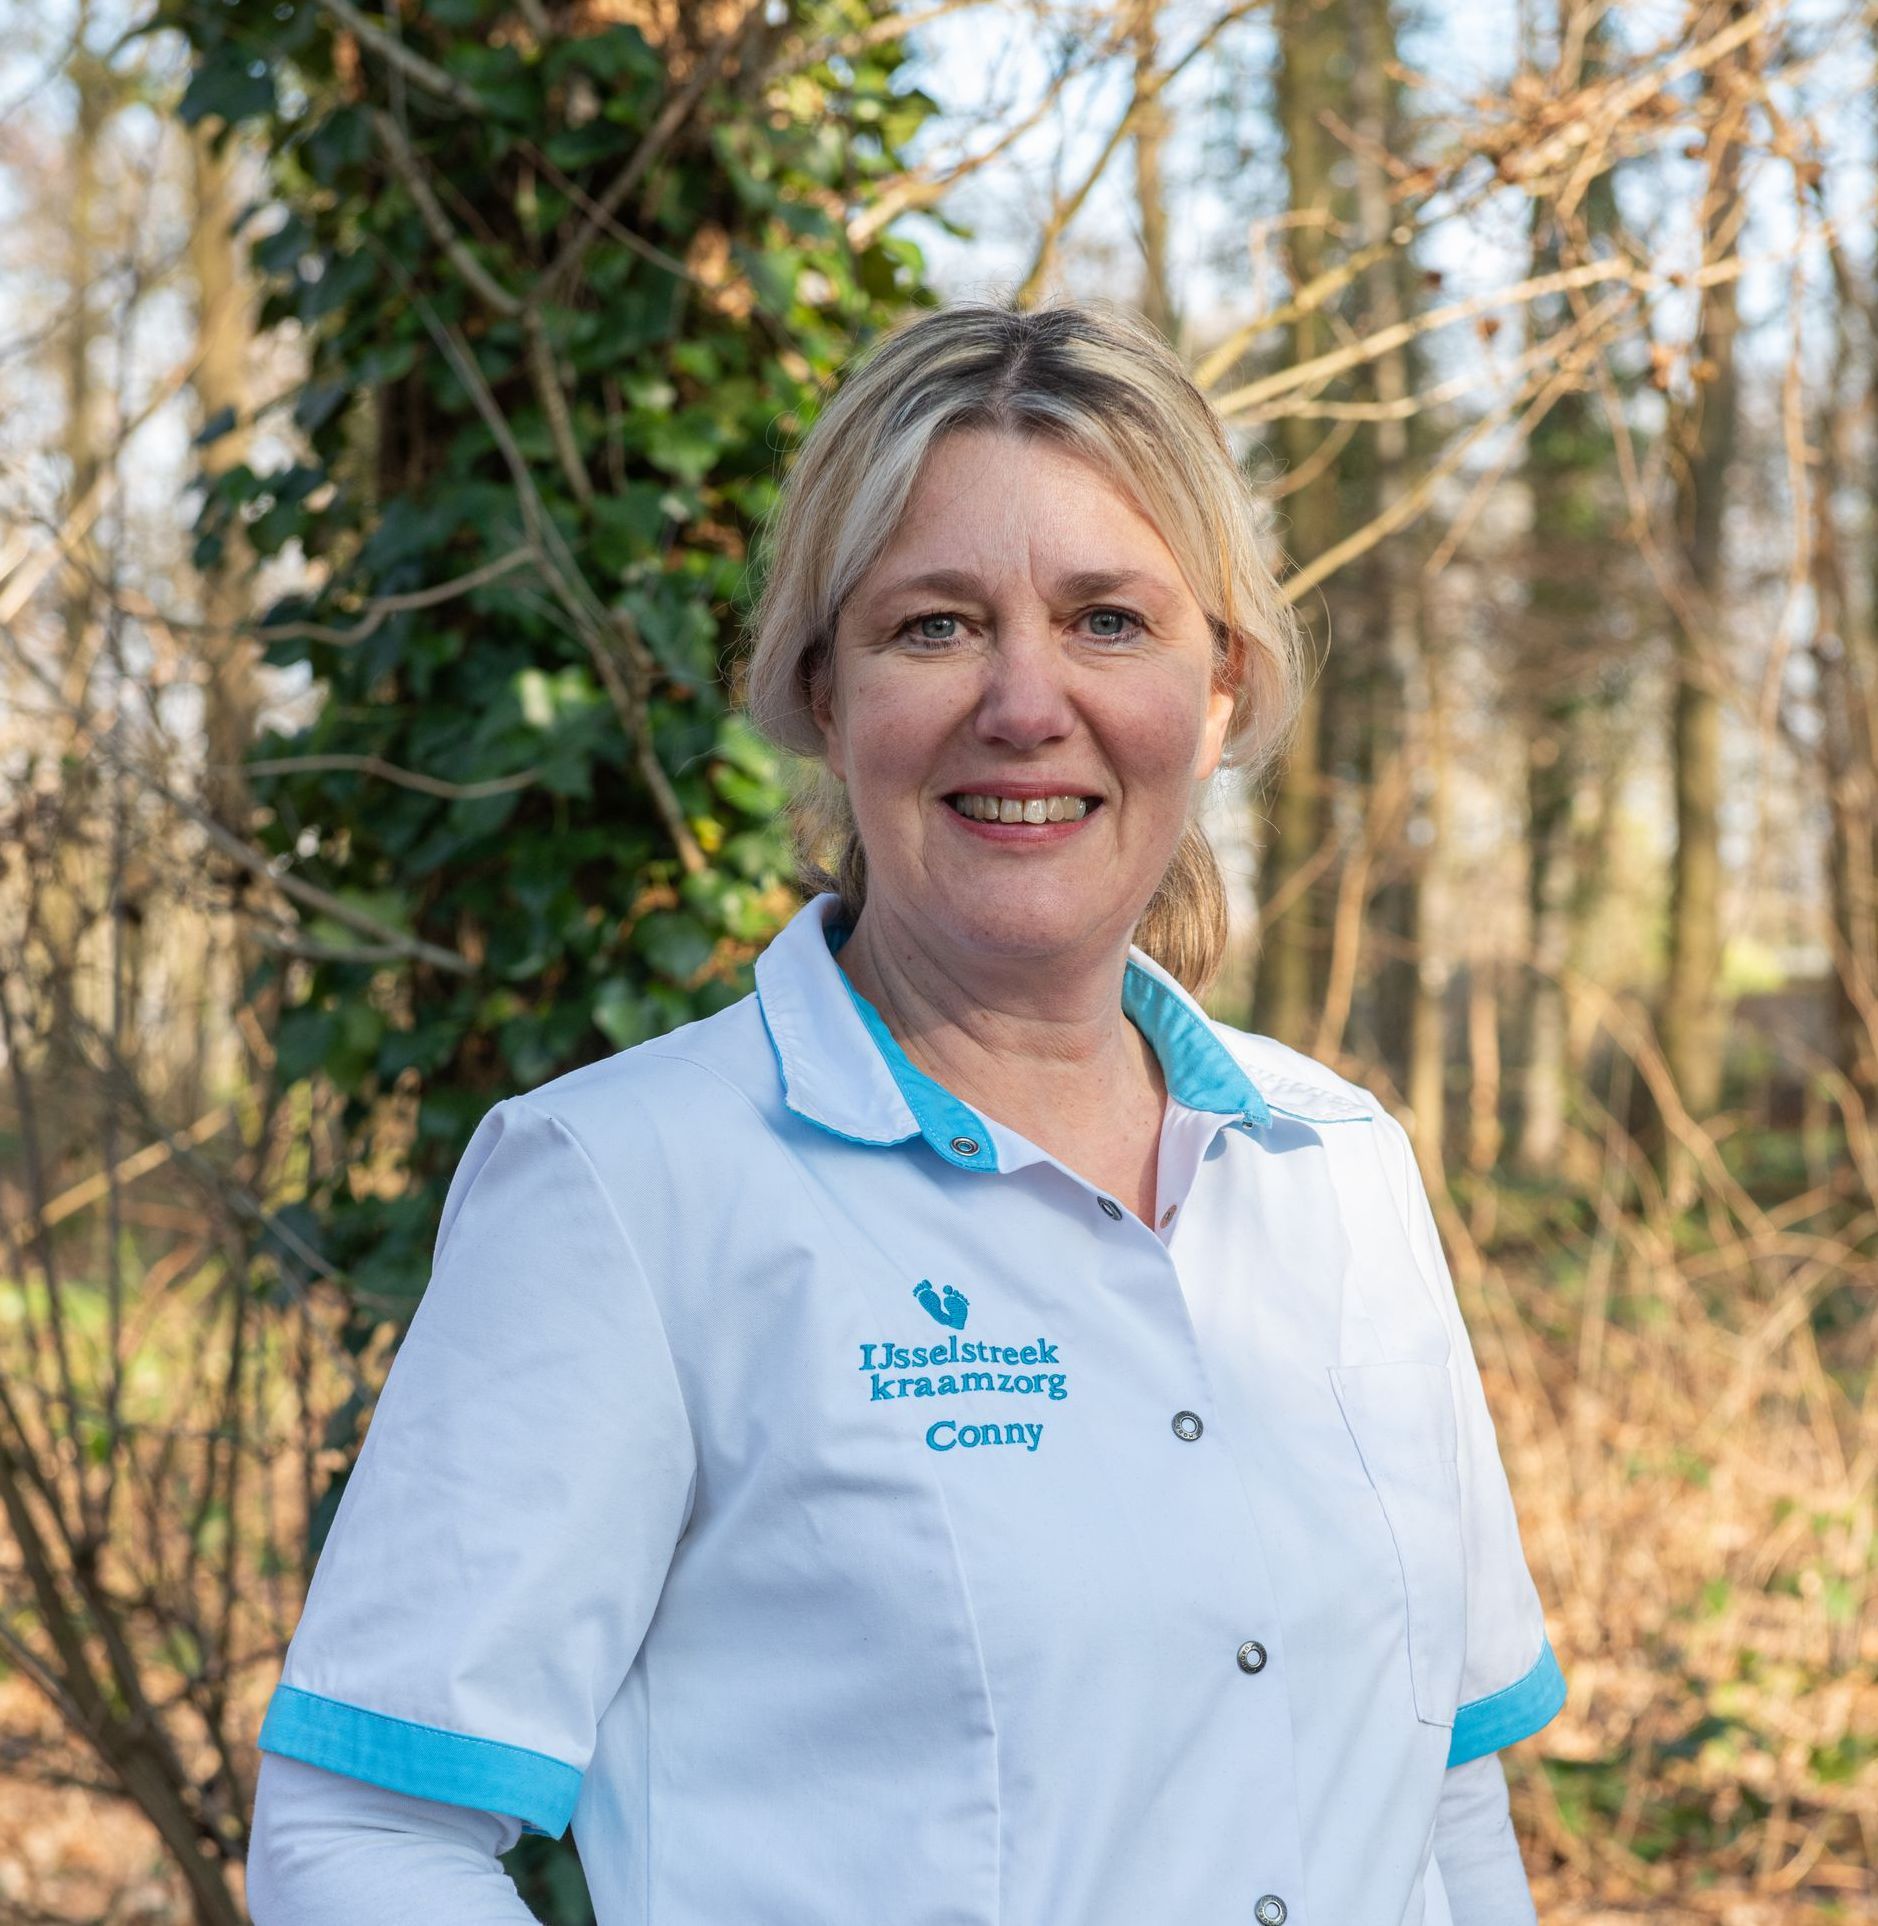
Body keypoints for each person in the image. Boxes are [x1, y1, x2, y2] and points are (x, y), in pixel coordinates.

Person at [246, 299, 1566, 1925]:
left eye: (1106, 620)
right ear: (822, 691)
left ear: (1220, 687)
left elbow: (1443, 1793)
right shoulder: (624, 1192)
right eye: (935, 625)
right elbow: (359, 1836)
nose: (1024, 702)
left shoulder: (1338, 1167)